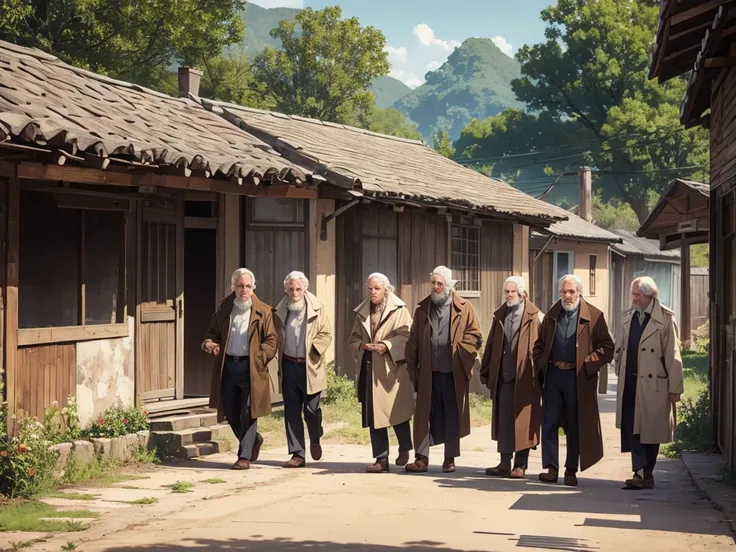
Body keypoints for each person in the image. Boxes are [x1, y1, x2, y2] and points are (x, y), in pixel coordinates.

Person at [533, 274, 614, 486]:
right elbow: (539, 344)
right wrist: (540, 362)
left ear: (579, 292)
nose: (567, 296)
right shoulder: (552, 314)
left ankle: (570, 470)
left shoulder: (594, 316)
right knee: (548, 422)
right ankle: (551, 469)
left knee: (574, 425)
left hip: (577, 378)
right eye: (563, 292)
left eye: (571, 292)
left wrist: (588, 363)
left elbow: (607, 348)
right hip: (553, 376)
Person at [405, 266, 483, 473]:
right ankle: (421, 458)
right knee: (424, 415)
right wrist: (413, 370)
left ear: (448, 285)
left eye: (440, 284)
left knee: (452, 414)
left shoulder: (464, 308)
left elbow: (475, 335)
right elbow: (412, 341)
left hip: (452, 373)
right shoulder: (423, 309)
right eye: (433, 283)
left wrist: (462, 354)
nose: (436, 287)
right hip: (428, 373)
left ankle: (450, 458)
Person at [202, 268, 278, 470]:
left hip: (252, 369)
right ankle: (254, 440)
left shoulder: (265, 312)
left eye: (248, 286)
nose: (244, 290)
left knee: (248, 411)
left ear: (253, 287)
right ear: (233, 287)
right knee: (230, 412)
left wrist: (260, 357)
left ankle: (244, 456)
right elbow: (211, 335)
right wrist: (210, 344)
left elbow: (272, 340)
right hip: (228, 367)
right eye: (240, 286)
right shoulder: (224, 312)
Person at [615, 277, 683, 490]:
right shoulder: (628, 317)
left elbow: (673, 354)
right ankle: (640, 473)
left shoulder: (665, 318)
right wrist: (619, 370)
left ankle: (646, 472)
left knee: (651, 430)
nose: (633, 298)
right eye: (633, 294)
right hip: (630, 381)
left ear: (649, 295)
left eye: (637, 294)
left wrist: (675, 388)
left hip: (655, 385)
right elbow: (620, 348)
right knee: (632, 426)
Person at [348, 273, 415, 473]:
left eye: (377, 289)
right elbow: (352, 339)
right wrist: (362, 345)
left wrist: (386, 345)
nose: (373, 292)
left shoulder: (399, 310)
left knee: (396, 411)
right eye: (370, 288)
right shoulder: (362, 311)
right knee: (373, 415)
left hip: (391, 368)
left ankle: (404, 447)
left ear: (386, 289)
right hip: (369, 368)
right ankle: (381, 458)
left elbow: (407, 336)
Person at [480, 276, 542, 479]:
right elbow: (491, 344)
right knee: (504, 420)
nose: (508, 295)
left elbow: (543, 348)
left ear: (522, 293)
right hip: (504, 377)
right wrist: (486, 370)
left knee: (523, 423)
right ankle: (504, 462)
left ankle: (520, 464)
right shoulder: (500, 315)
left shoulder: (535, 316)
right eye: (506, 291)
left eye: (512, 292)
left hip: (525, 379)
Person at [274, 271, 333, 468]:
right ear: (286, 290)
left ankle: (315, 437)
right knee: (292, 411)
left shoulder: (317, 309)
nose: (294, 292)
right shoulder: (281, 310)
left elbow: (326, 332)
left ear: (305, 289)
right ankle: (297, 453)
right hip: (289, 365)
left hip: (310, 366)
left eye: (298, 289)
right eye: (291, 289)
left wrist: (315, 349)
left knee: (311, 410)